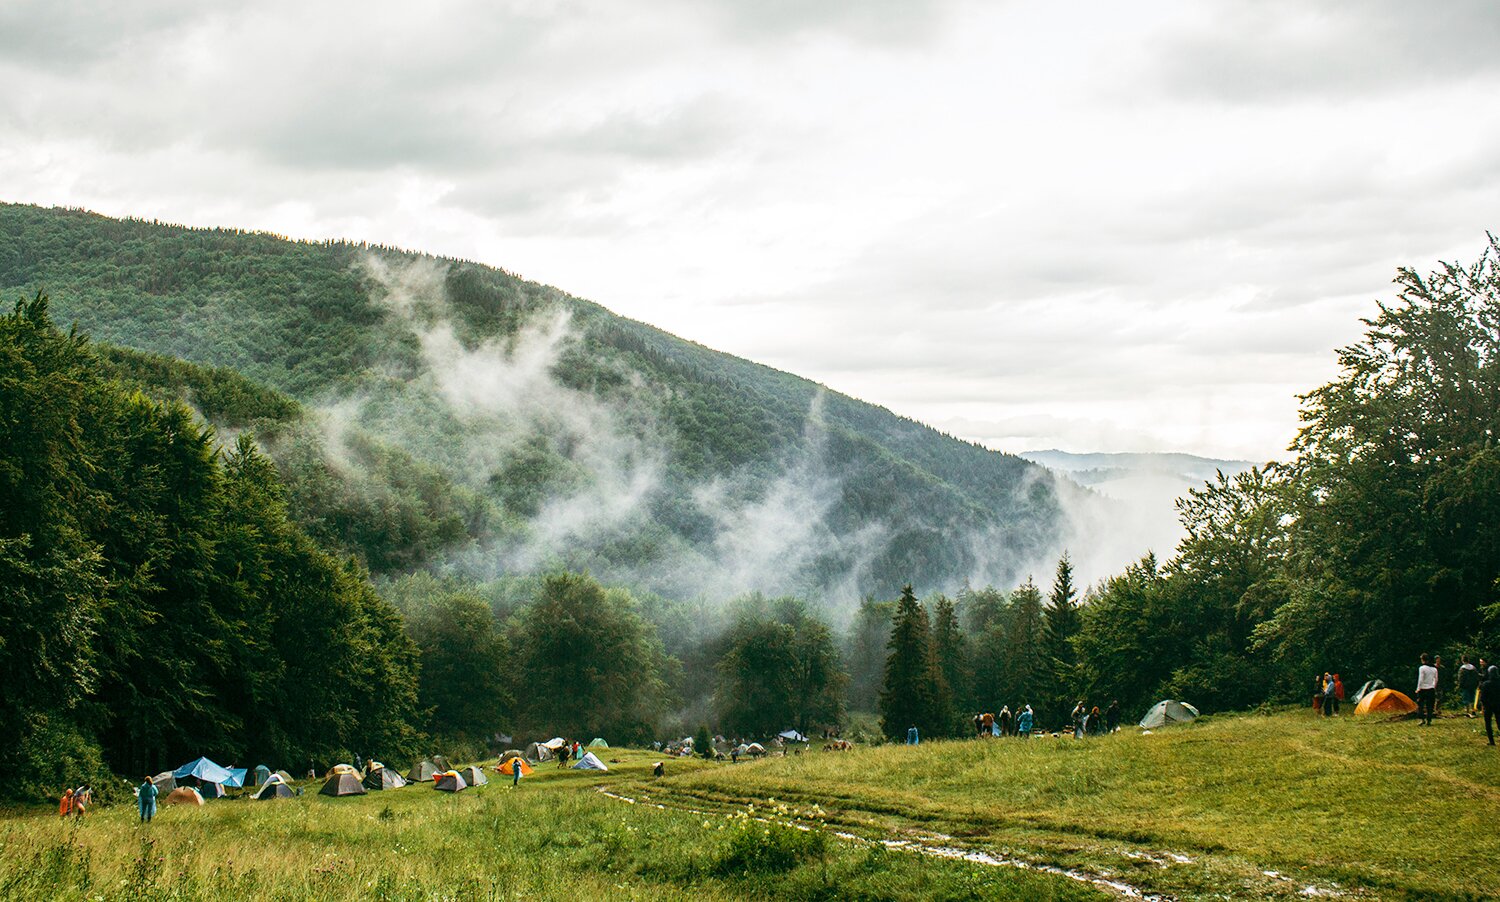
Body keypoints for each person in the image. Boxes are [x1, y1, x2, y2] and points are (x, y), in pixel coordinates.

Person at [1416, 653, 1439, 725]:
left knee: (1421, 705)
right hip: (1431, 688)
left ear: (1422, 660)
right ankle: (1429, 719)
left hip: (1423, 688)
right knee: (1430, 705)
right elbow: (1436, 679)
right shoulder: (1434, 669)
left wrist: (1418, 688)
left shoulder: (1422, 668)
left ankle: (1422, 719)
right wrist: (1434, 686)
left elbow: (1421, 679)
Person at [1480, 665, 1499, 746]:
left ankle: (1491, 741)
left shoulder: (1486, 684)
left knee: (1488, 723)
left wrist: (1483, 706)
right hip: (1499, 705)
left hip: (1488, 706)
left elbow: (1483, 697)